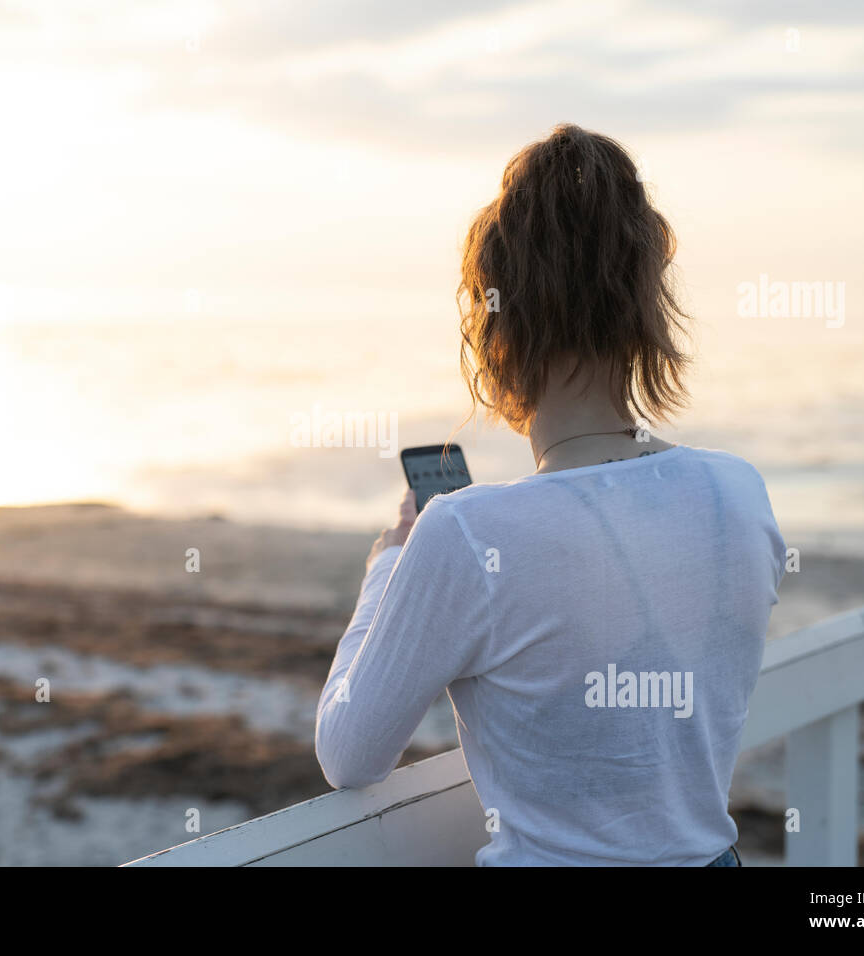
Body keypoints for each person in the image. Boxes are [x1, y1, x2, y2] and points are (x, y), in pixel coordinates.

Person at [315, 124, 785, 866]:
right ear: (644, 305)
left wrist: (388, 569)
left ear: (496, 320)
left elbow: (348, 753)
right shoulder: (738, 493)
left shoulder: (466, 533)